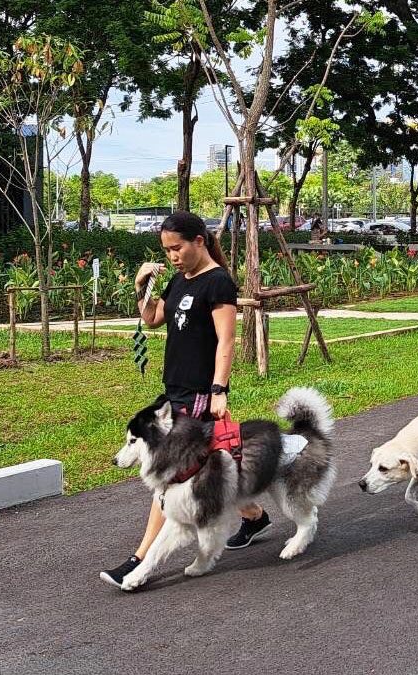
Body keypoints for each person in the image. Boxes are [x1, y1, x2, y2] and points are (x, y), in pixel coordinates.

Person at [101, 211, 270, 590]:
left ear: (199, 241)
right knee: (204, 471)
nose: (172, 256)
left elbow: (226, 341)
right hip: (172, 389)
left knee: (170, 476)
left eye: (177, 248)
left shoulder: (218, 283)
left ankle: (140, 559)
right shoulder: (179, 280)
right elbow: (153, 319)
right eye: (166, 251)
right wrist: (139, 288)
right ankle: (255, 515)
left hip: (197, 396)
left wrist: (218, 390)